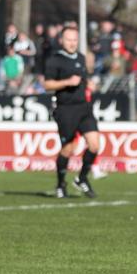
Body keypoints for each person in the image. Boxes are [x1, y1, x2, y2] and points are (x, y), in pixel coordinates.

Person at [43, 27, 99, 199]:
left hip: (84, 107)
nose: (72, 43)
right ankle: (60, 184)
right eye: (69, 39)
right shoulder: (55, 60)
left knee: (94, 145)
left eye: (75, 39)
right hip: (66, 109)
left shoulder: (81, 58)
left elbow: (82, 79)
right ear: (62, 40)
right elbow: (47, 85)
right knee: (68, 149)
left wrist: (89, 84)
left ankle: (82, 178)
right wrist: (67, 82)